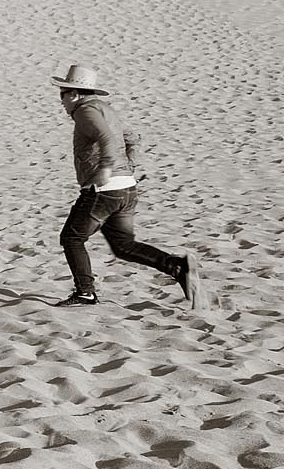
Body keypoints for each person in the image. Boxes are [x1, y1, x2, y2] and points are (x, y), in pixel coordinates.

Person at [54, 62, 198, 308]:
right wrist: (129, 166)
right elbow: (132, 138)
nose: (61, 101)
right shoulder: (105, 109)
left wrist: (107, 167)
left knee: (72, 238)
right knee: (123, 246)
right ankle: (177, 267)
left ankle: (85, 292)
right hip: (126, 189)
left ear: (75, 94)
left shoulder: (85, 111)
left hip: (104, 189)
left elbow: (107, 138)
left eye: (63, 95)